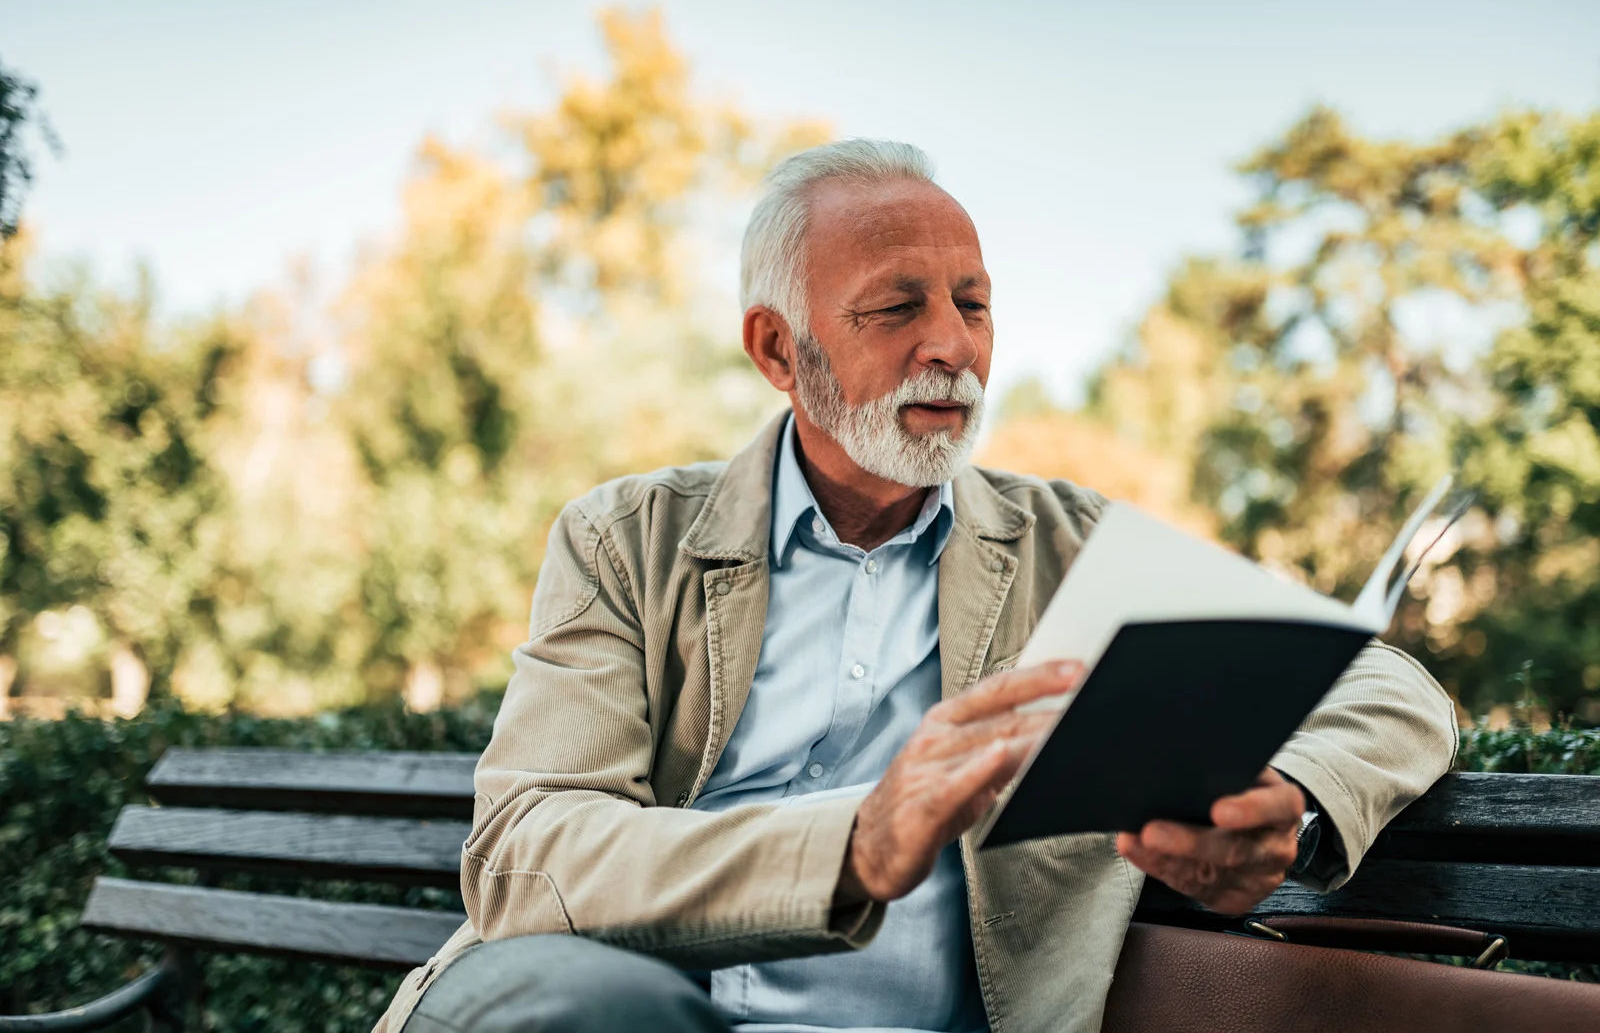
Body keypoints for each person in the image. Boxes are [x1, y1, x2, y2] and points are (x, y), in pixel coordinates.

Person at [375, 140, 1457, 1033]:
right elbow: (529, 857)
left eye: (973, 304)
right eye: (895, 309)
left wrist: (1294, 807)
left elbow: (1390, 687)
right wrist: (854, 842)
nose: (953, 346)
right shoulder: (627, 540)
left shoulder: (1073, 549)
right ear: (777, 350)